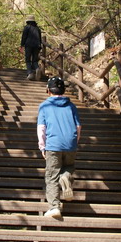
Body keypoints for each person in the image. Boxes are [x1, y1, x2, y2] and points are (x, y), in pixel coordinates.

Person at [37, 76, 81, 220]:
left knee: (51, 176)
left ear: (48, 90)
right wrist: (74, 142)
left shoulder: (44, 106)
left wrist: (42, 147)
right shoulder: (71, 106)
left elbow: (41, 129)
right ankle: (66, 176)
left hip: (53, 145)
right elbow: (78, 127)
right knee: (69, 166)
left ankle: (54, 207)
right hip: (70, 144)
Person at [20, 15, 42, 80]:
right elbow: (40, 38)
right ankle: (37, 68)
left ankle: (30, 73)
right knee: (35, 60)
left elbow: (24, 37)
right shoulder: (38, 28)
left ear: (28, 21)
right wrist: (39, 46)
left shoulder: (27, 27)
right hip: (37, 46)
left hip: (28, 45)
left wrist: (22, 45)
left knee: (28, 59)